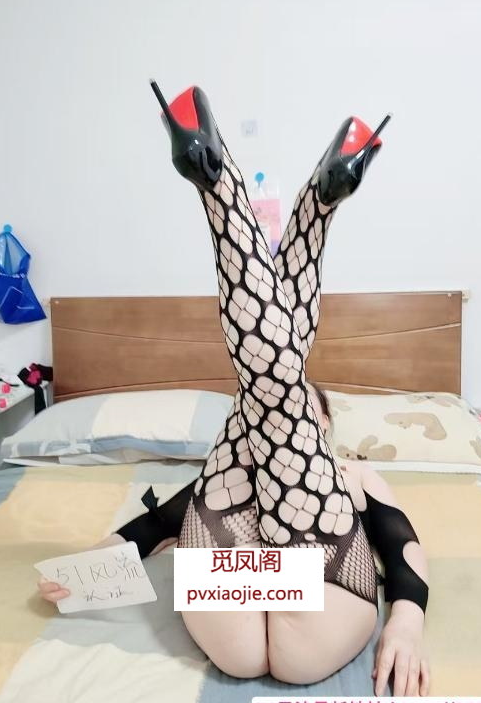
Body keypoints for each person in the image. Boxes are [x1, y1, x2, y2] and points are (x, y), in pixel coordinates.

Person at [39, 84, 430, 696]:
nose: (298, 419)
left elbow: (399, 544)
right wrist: (89, 563)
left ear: (325, 429)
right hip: (240, 595)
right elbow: (156, 527)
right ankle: (309, 205)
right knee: (267, 400)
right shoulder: (231, 468)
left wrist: (406, 622)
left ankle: (235, 191)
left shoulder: (352, 475)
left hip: (312, 584)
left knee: (269, 396)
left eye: (310, 415)